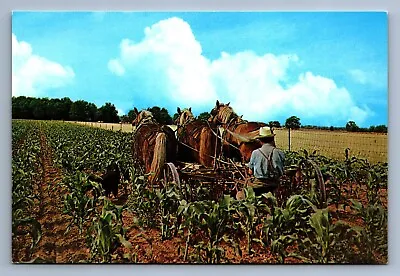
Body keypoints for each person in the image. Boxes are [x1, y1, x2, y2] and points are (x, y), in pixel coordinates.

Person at [237, 126, 285, 199]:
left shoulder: (255, 153)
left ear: (260, 141)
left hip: (259, 186)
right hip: (274, 185)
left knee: (243, 194)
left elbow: (250, 172)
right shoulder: (280, 153)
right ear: (272, 139)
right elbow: (282, 169)